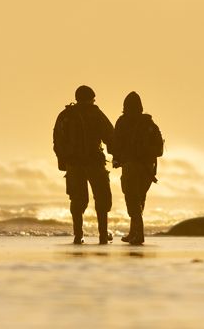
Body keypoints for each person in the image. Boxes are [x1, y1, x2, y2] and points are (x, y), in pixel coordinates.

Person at [52, 85, 115, 244]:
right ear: (91, 98)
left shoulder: (65, 115)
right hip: (94, 163)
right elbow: (110, 136)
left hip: (73, 165)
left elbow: (57, 140)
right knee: (102, 200)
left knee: (78, 201)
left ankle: (78, 235)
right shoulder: (95, 113)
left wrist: (63, 160)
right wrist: (117, 156)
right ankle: (102, 235)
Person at [110, 91, 164, 245]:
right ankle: (133, 232)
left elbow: (115, 145)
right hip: (148, 168)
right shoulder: (150, 124)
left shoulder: (122, 122)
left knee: (132, 200)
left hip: (130, 167)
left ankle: (138, 234)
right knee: (139, 200)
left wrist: (117, 159)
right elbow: (159, 150)